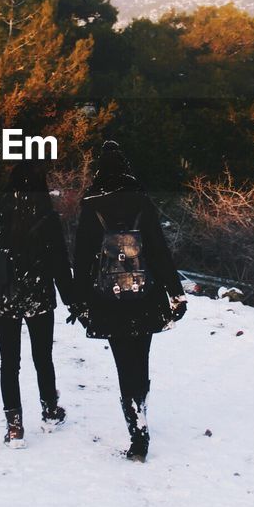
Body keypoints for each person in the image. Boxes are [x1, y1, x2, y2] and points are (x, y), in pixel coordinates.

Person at [70, 141, 187, 462]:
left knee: (124, 364)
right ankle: (142, 408)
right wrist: (176, 293)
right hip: (146, 295)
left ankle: (138, 434)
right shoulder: (142, 202)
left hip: (109, 301)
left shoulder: (92, 206)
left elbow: (80, 261)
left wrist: (77, 302)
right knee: (142, 358)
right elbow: (160, 254)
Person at [0, 162, 76, 447]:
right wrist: (72, 301)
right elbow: (60, 263)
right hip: (38, 293)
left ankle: (14, 426)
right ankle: (49, 411)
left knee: (9, 362)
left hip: (3, 294)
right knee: (42, 357)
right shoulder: (47, 216)